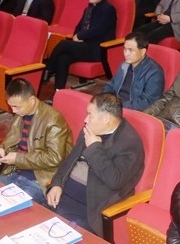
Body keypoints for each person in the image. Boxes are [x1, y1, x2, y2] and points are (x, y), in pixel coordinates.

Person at [47, 93, 143, 236]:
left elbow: (115, 181)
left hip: (89, 209)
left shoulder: (129, 143)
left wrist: (94, 148)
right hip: (63, 196)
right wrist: (57, 183)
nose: (85, 120)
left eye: (90, 115)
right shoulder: (91, 128)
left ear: (106, 118)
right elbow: (70, 160)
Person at [0, 79, 72, 204]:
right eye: (11, 106)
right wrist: (1, 150)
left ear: (31, 100)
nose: (13, 110)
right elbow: (12, 141)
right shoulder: (21, 114)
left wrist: (18, 159)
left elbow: (54, 158)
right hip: (16, 172)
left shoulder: (53, 119)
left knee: (9, 205)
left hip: (41, 179)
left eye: (16, 106)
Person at [45, 0, 118, 90]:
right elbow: (78, 27)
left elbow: (99, 30)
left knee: (64, 44)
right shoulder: (88, 9)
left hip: (97, 48)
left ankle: (48, 69)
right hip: (84, 46)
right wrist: (76, 36)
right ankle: (58, 91)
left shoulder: (108, 9)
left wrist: (80, 36)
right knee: (63, 58)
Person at [102, 32, 165, 111]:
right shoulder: (124, 65)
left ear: (142, 52)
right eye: (124, 49)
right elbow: (111, 84)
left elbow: (146, 102)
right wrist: (105, 98)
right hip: (115, 106)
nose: (126, 54)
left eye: (130, 50)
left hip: (132, 110)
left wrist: (118, 106)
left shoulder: (154, 72)